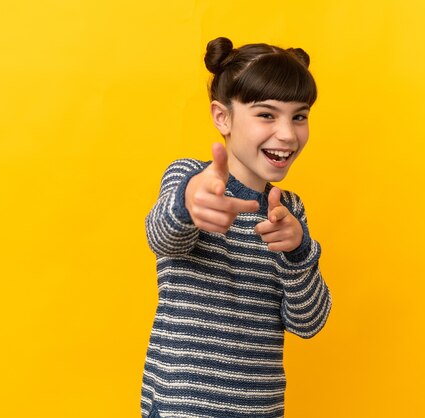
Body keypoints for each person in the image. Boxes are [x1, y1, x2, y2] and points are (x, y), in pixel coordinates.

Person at [141, 36, 332, 418]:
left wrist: (298, 252)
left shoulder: (289, 210)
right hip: (182, 406)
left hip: (261, 408)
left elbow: (308, 322)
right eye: (266, 114)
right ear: (222, 117)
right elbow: (161, 235)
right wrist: (190, 202)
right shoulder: (189, 178)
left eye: (299, 116)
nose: (288, 134)